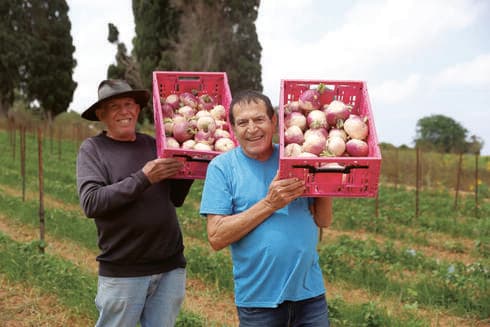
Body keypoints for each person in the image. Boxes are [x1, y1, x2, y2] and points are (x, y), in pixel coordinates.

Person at [199, 90, 333, 326]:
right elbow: (216, 237)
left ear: (273, 121)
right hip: (258, 302)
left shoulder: (295, 158)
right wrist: (270, 203)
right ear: (233, 128)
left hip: (310, 296)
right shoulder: (222, 168)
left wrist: (323, 177)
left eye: (259, 119)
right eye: (243, 122)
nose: (252, 128)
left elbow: (323, 220)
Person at [76, 79, 193, 327]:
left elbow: (176, 199)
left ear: (138, 109)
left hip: (169, 266)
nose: (124, 111)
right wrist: (143, 178)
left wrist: (188, 166)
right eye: (114, 106)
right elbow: (91, 202)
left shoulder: (154, 145)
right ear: (101, 114)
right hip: (124, 269)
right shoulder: (93, 149)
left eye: (128, 104)